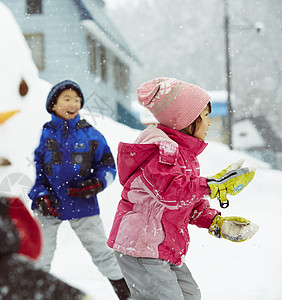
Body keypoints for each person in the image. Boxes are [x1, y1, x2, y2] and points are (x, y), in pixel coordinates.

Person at [107, 77, 258, 299]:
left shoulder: (183, 155)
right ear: (185, 121)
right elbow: (172, 193)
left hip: (161, 247)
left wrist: (216, 222)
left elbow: (189, 202)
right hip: (141, 246)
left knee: (190, 295)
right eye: (205, 116)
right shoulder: (161, 151)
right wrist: (213, 185)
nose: (208, 123)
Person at [29, 80, 131, 300]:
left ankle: (128, 294)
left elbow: (108, 167)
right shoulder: (42, 136)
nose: (73, 103)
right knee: (39, 255)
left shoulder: (90, 135)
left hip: (82, 204)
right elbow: (33, 172)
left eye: (77, 100)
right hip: (49, 206)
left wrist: (97, 183)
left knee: (102, 254)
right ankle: (31, 295)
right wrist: (41, 195)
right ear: (53, 105)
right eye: (66, 98)